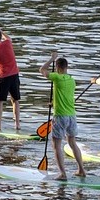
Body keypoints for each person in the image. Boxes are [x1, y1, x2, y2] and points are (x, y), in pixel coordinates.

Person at [40, 52, 86, 181]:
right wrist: (53, 102)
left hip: (60, 116)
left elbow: (42, 70)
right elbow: (63, 95)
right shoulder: (72, 80)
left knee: (56, 145)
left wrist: (51, 59)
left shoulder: (57, 77)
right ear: (67, 67)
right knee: (72, 143)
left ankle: (63, 174)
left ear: (58, 68)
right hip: (72, 115)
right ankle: (81, 170)